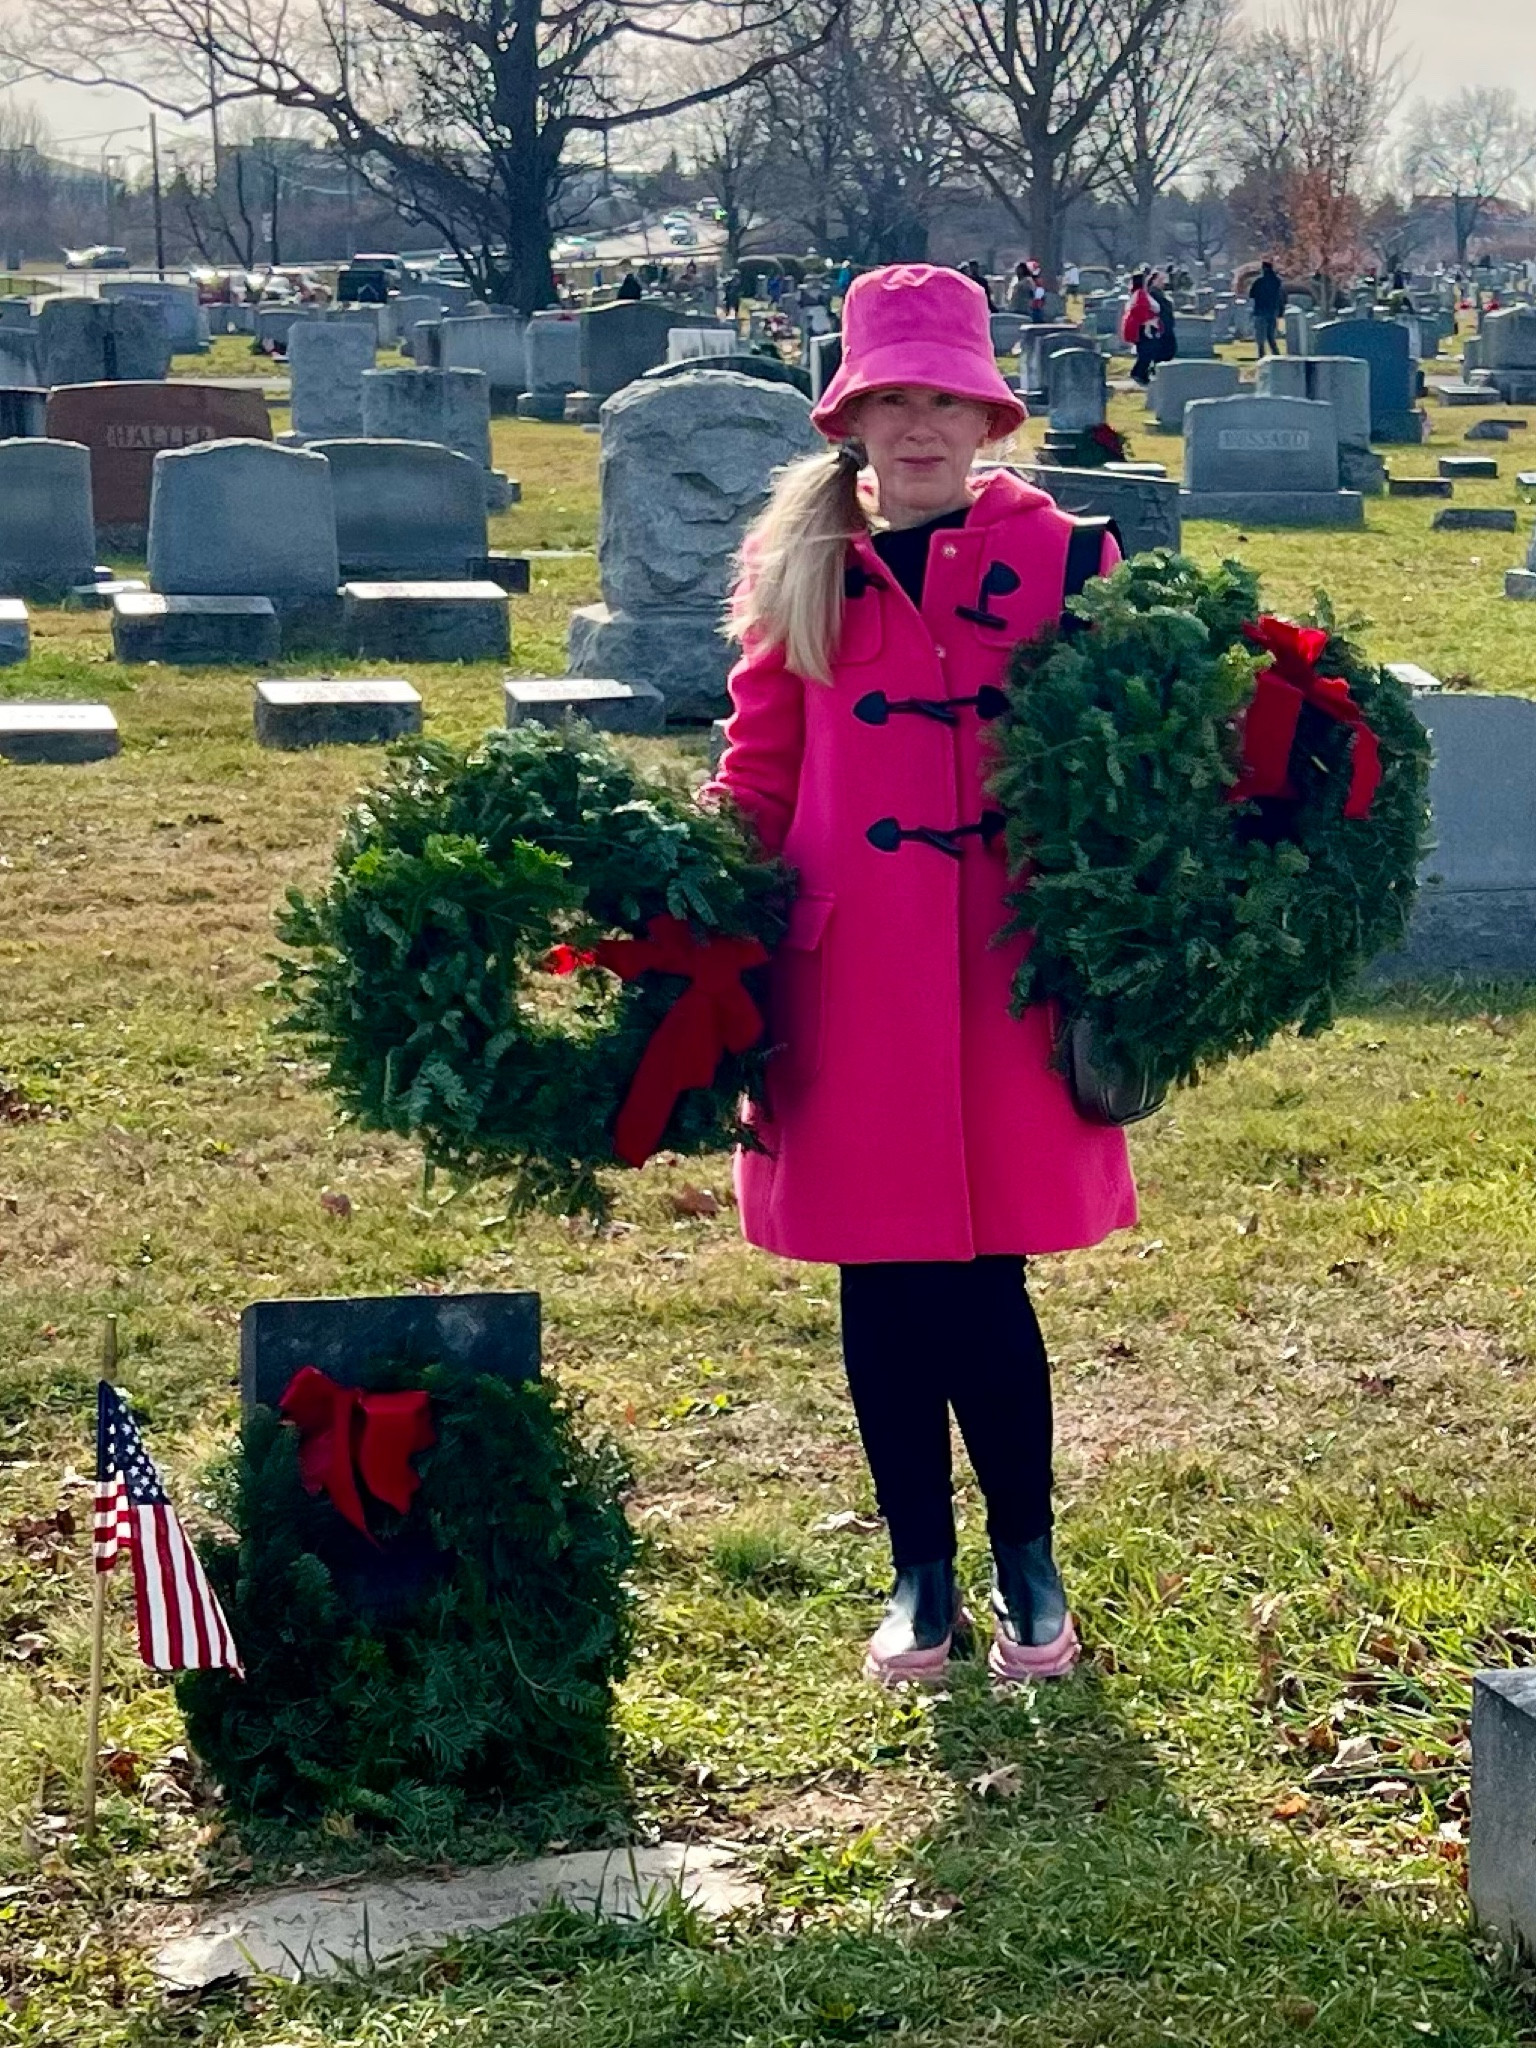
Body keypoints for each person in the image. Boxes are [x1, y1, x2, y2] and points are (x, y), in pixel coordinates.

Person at [704, 264, 1136, 1688]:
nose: (918, 424)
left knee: (985, 1278)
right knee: (881, 1284)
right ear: (849, 416)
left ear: (989, 413)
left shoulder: (1069, 559)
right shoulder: (797, 564)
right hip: (844, 985)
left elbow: (1136, 768)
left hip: (1008, 984)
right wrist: (692, 903)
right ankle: (919, 1573)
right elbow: (760, 770)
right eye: (889, 397)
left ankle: (1029, 1558)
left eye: (944, 396)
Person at [1121, 268, 1160, 385]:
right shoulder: (1140, 294)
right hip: (1143, 328)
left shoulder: (1138, 293)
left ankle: (1141, 373)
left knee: (1145, 352)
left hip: (1143, 327)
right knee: (1146, 352)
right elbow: (1140, 310)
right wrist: (1148, 322)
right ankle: (1138, 373)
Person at [1249, 258, 1285, 358]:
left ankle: (1261, 356)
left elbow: (1251, 294)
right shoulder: (1277, 281)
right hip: (1272, 311)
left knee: (1260, 336)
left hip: (1260, 311)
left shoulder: (1259, 281)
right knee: (1271, 336)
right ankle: (1276, 355)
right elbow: (1281, 296)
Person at [1148, 269, 1178, 365]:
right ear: (1153, 281)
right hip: (1158, 331)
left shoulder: (1161, 295)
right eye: (1160, 280)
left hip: (1166, 330)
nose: (1163, 283)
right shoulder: (1152, 295)